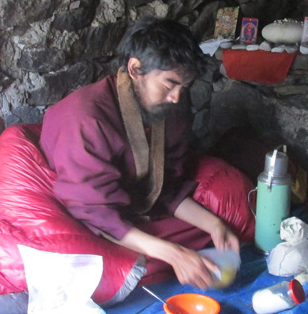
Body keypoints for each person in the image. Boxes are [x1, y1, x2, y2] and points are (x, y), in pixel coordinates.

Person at [40, 17, 240, 289]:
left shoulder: (168, 112)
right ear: (135, 68)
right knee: (100, 268)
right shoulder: (86, 120)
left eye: (184, 87)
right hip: (92, 222)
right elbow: (93, 213)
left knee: (220, 232)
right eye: (169, 84)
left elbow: (165, 189)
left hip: (135, 212)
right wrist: (173, 253)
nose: (176, 98)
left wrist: (215, 225)